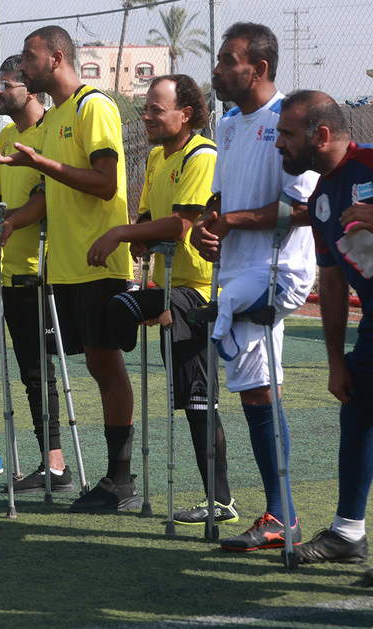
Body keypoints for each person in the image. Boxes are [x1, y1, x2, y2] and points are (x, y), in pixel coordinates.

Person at [0, 26, 137, 510]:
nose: (22, 66)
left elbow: (106, 182)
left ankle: (120, 480)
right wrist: (24, 172)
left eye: (29, 57)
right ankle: (103, 476)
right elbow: (53, 187)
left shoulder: (93, 105)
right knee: (95, 365)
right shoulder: (54, 117)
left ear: (56, 58)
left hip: (99, 260)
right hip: (67, 264)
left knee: (106, 365)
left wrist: (43, 164)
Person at [190, 22, 317, 552]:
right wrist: (207, 229)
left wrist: (232, 223)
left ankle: (283, 516)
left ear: (259, 68)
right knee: (257, 390)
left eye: (228, 60)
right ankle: (280, 514)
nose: (217, 70)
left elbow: (303, 207)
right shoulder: (227, 125)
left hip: (276, 272)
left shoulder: (290, 119)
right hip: (239, 272)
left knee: (258, 389)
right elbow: (221, 200)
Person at [91, 74, 237, 523]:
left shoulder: (202, 155)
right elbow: (151, 217)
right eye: (147, 108)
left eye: (156, 109)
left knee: (198, 402)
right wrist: (139, 234)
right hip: (167, 287)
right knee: (118, 309)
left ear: (185, 114)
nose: (147, 116)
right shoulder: (157, 156)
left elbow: (181, 225)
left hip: (199, 292)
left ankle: (221, 501)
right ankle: (148, 325)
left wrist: (121, 233)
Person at [271, 90, 372, 576]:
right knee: (358, 413)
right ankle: (348, 533)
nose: (278, 144)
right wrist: (335, 362)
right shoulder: (321, 198)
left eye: (286, 134)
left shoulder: (370, 165)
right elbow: (330, 284)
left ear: (322, 135)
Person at [0, 55, 76, 492]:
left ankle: (61, 466)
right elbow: (3, 200)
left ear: (30, 88)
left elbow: (43, 197)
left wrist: (11, 223)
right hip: (12, 269)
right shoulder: (5, 136)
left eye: (6, 85)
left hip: (46, 269)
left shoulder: (49, 130)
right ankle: (51, 464)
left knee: (49, 370)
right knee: (31, 372)